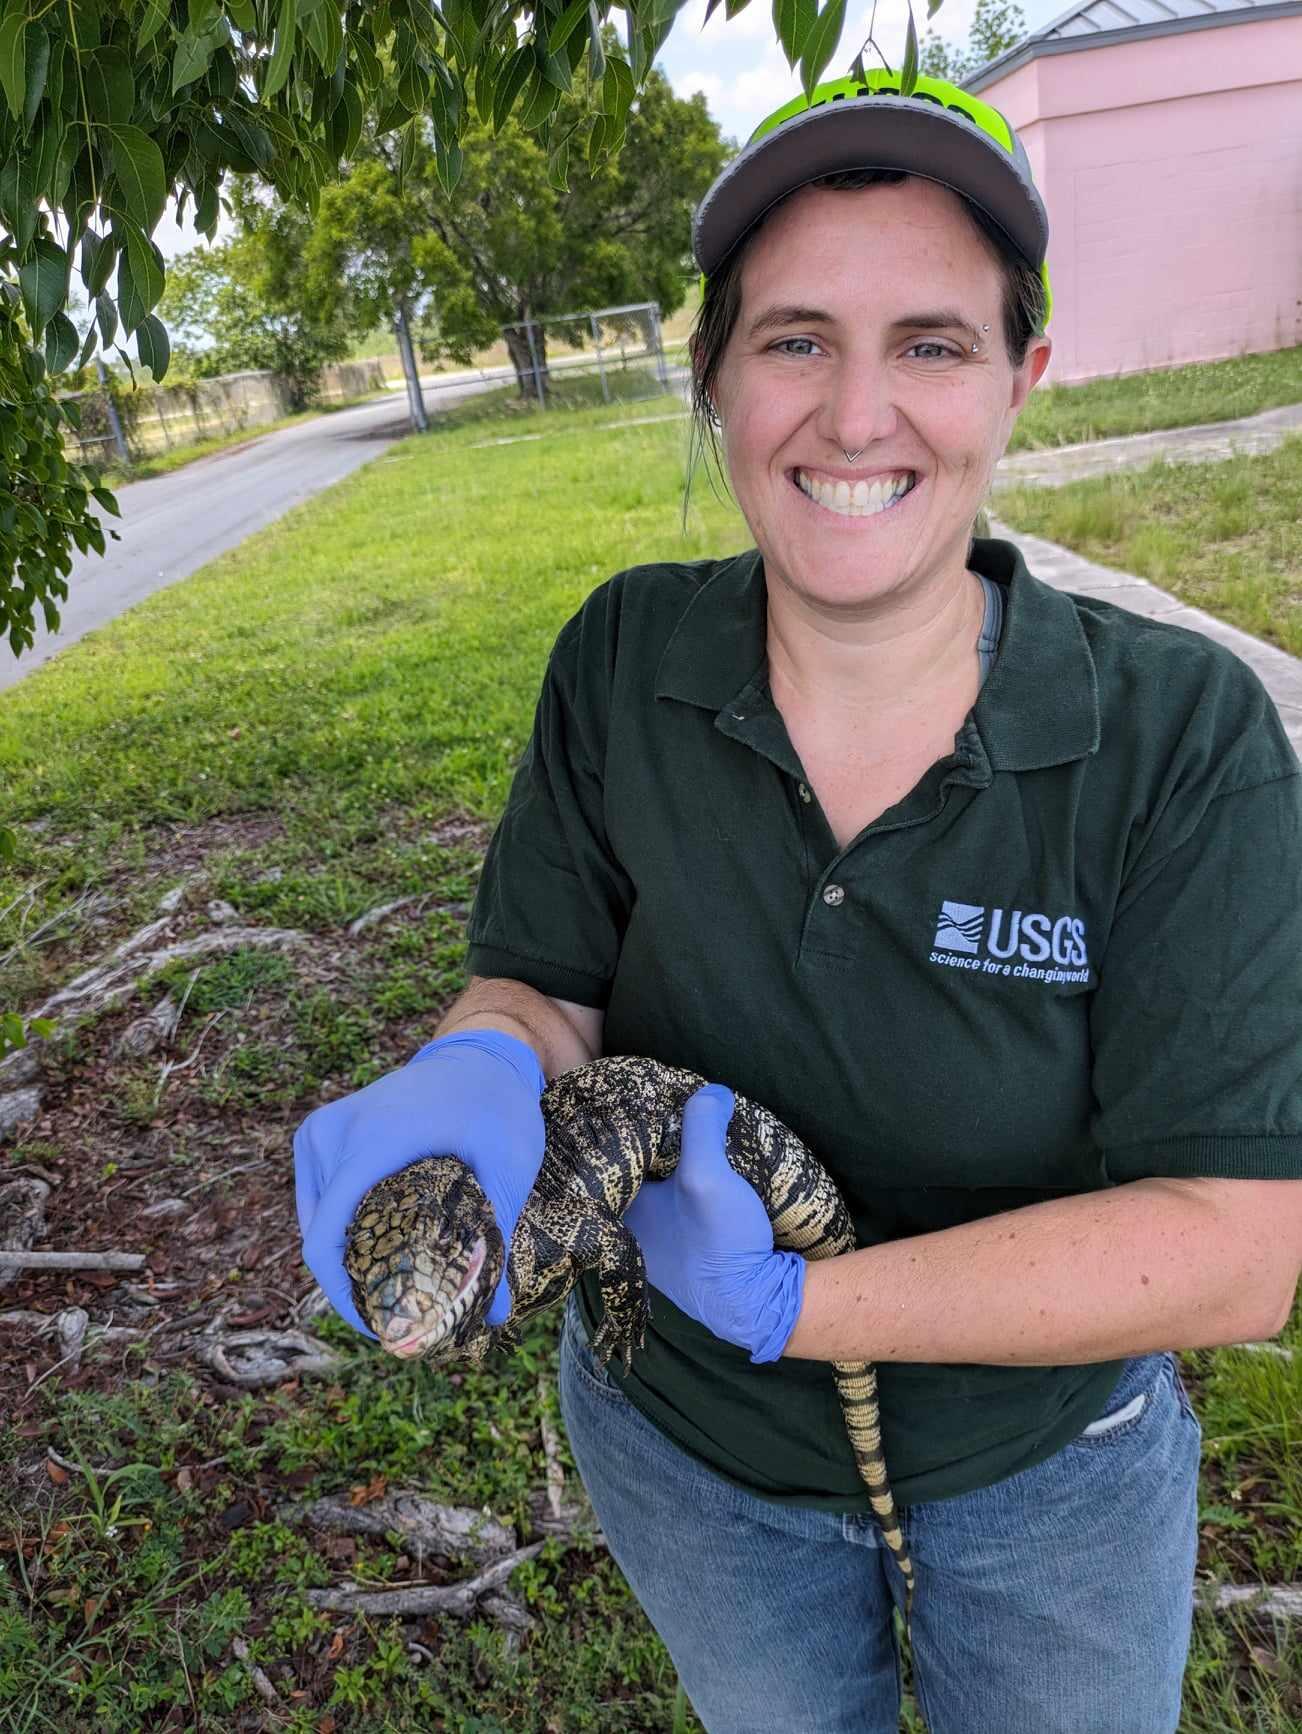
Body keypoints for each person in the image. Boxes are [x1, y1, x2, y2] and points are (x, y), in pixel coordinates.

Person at [294, 71, 1302, 1733]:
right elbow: (543, 986)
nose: (854, 414)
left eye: (929, 342)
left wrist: (799, 1304)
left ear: (1018, 380)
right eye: (791, 339)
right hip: (688, 1462)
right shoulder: (621, 655)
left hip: (1050, 1472)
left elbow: (1238, 1248)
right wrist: (478, 1060)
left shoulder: (1182, 734)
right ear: (714, 381)